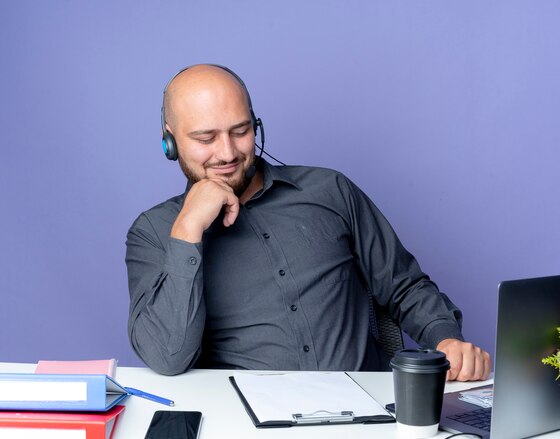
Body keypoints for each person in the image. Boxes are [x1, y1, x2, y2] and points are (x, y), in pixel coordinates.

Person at [126, 64, 491, 380]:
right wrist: (188, 228)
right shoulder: (155, 233)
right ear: (169, 142)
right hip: (244, 422)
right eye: (206, 138)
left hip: (367, 414)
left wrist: (446, 339)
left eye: (240, 132)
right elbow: (167, 357)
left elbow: (404, 286)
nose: (227, 153)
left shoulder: (329, 190)